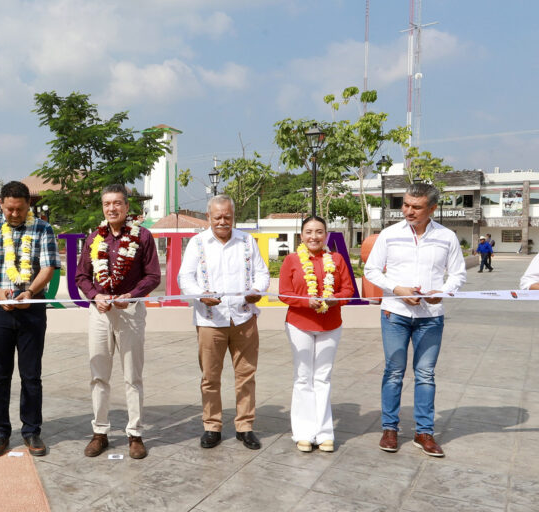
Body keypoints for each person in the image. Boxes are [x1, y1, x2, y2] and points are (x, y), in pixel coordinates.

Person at [365, 183, 466, 458]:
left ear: (432, 208)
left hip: (430, 318)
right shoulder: (389, 235)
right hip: (394, 314)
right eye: (406, 204)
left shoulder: (447, 237)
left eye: (416, 207)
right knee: (393, 372)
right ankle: (389, 429)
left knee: (425, 374)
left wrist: (443, 293)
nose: (408, 211)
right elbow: (371, 270)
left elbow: (458, 275)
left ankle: (424, 433)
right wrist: (397, 289)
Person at [0, 181, 60, 457]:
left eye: (19, 209)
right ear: (1, 205)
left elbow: (48, 267)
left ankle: (32, 430)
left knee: (31, 375)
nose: (14, 214)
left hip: (31, 308)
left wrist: (30, 291)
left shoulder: (43, 228)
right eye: (9, 209)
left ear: (28, 205)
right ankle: (0, 431)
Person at [178, 195, 270, 451]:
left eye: (227, 216)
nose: (222, 221)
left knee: (246, 375)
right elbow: (185, 277)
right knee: (210, 377)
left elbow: (262, 273)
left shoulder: (246, 241)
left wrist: (256, 290)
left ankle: (245, 426)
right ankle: (212, 426)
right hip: (210, 320)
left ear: (233, 217)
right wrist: (200, 295)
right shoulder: (197, 243)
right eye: (217, 216)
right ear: (208, 217)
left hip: (243, 317)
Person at [75, 184, 161, 459]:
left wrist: (132, 295)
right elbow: (81, 277)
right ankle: (99, 432)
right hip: (100, 312)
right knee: (99, 374)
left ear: (126, 207)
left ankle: (134, 434)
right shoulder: (93, 239)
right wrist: (94, 295)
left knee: (132, 376)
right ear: (103, 208)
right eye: (107, 204)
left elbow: (152, 276)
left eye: (117, 203)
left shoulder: (143, 236)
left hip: (130, 311)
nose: (112, 208)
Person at [278, 216, 354, 453]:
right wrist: (305, 302)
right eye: (309, 231)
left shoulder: (337, 259)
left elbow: (349, 290)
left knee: (322, 378)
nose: (314, 236)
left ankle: (323, 433)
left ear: (326, 235)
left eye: (319, 232)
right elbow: (284, 293)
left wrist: (335, 299)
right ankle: (303, 433)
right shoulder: (291, 260)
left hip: (330, 324)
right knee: (303, 378)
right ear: (301, 235)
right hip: (299, 323)